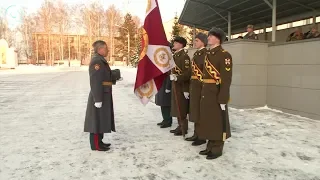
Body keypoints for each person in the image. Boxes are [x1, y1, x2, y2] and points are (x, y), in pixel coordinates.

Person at [197, 27, 232, 160]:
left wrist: (223, 98)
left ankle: (217, 148)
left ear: (218, 39)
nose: (209, 38)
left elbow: (226, 78)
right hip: (207, 92)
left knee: (217, 121)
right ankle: (210, 145)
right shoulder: (209, 54)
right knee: (209, 120)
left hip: (216, 93)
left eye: (211, 36)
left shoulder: (224, 55)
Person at [84, 40, 122, 151]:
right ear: (100, 49)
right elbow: (96, 81)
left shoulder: (100, 60)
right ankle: (95, 145)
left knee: (100, 119)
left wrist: (115, 77)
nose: (107, 50)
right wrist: (98, 99)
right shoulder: (97, 61)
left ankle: (99, 142)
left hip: (103, 94)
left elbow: (104, 77)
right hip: (99, 95)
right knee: (96, 120)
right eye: (105, 48)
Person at [185, 33, 207, 146]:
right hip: (194, 85)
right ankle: (196, 133)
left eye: (197, 40)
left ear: (203, 42)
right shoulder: (197, 53)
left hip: (200, 85)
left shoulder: (205, 54)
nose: (195, 42)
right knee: (195, 110)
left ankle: (202, 136)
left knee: (200, 111)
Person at [169, 36, 191, 136]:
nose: (174, 44)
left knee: (181, 107)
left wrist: (186, 89)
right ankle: (179, 126)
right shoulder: (175, 56)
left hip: (181, 86)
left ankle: (184, 127)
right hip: (175, 86)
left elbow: (187, 74)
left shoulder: (184, 57)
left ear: (181, 44)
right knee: (177, 107)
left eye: (176, 43)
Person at [156, 42, 173, 128]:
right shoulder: (161, 58)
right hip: (161, 82)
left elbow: (170, 73)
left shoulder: (170, 58)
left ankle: (168, 120)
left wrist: (168, 86)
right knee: (162, 102)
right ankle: (165, 119)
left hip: (167, 82)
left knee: (166, 102)